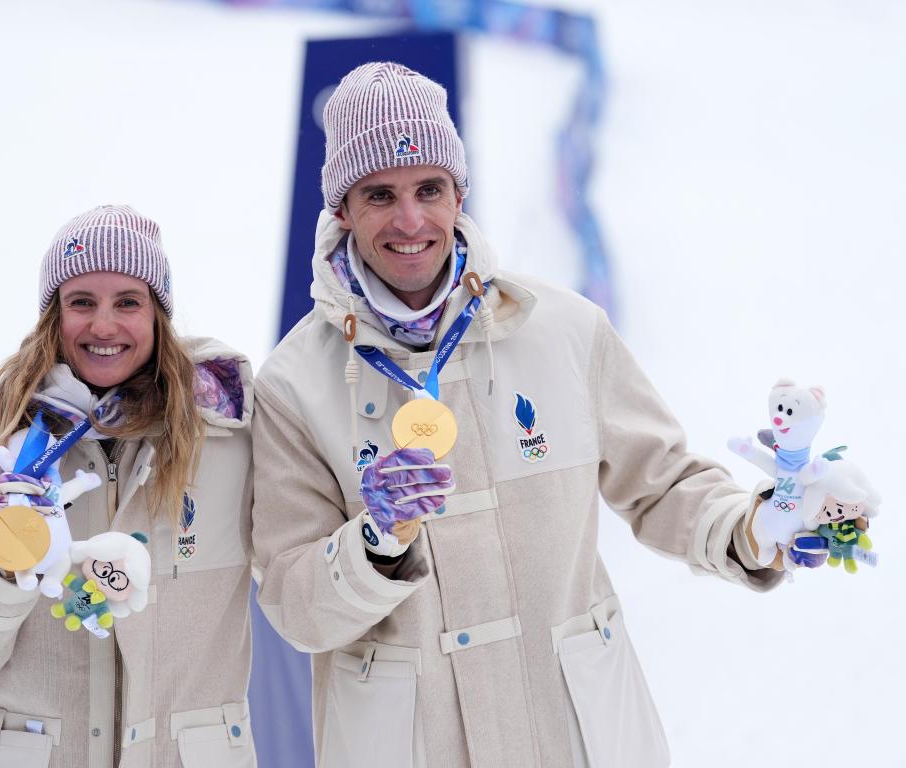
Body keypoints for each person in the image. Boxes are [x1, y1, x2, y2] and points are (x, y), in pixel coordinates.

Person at [250, 62, 798, 768]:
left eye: (429, 189)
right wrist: (374, 543)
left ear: (460, 194)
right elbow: (294, 606)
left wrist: (754, 527)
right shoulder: (293, 385)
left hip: (575, 735)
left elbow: (661, 484)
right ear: (342, 211)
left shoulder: (564, 329)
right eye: (380, 194)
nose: (411, 220)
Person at [0, 205, 257, 767]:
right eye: (81, 302)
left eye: (128, 302)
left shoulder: (229, 445)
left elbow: (299, 599)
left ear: (158, 316)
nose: (103, 326)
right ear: (52, 317)